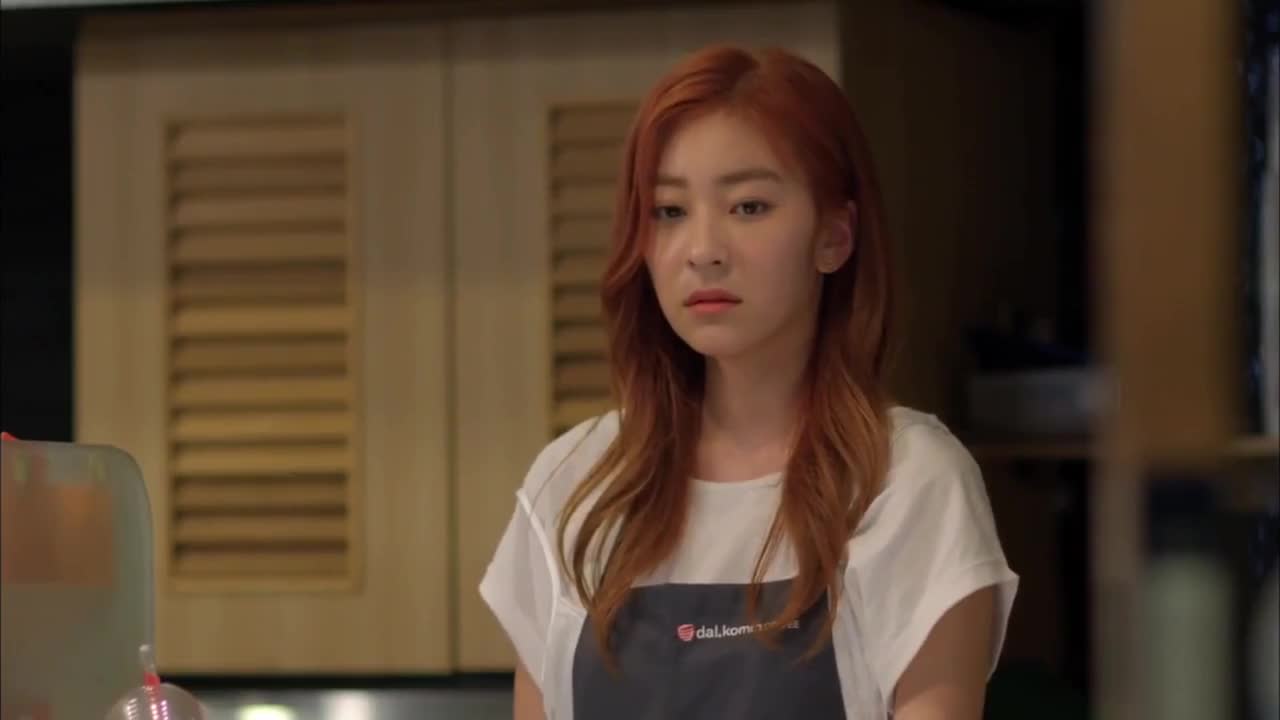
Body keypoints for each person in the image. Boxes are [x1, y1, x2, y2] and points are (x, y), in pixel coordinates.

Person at [480, 44, 1018, 720]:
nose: (703, 250)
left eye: (749, 206)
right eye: (669, 211)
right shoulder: (573, 485)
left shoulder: (907, 484)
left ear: (835, 235)